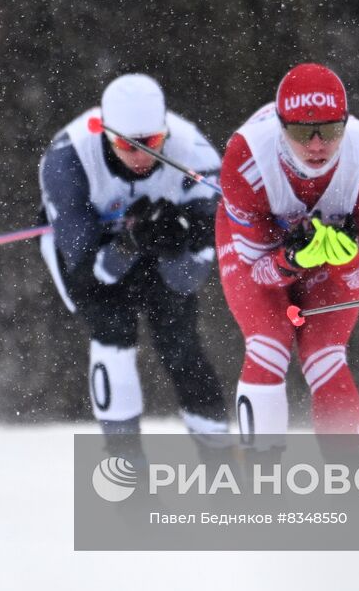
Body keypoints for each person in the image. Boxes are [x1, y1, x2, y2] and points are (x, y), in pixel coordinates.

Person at [39, 73, 228, 463]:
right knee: (112, 329)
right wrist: (127, 243)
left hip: (156, 252)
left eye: (154, 143)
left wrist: (182, 236)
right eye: (128, 145)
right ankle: (128, 471)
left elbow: (191, 276)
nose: (143, 156)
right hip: (93, 252)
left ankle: (222, 463)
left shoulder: (196, 153)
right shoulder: (67, 159)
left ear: (165, 132)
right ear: (105, 133)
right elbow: (90, 274)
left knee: (180, 338)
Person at [216, 63, 359, 438]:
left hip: (322, 266)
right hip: (263, 256)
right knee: (269, 344)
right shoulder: (246, 158)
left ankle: (347, 481)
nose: (317, 145)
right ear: (281, 128)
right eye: (302, 132)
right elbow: (257, 272)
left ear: (346, 124)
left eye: (330, 131)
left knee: (325, 355)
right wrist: (291, 259)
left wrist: (344, 257)